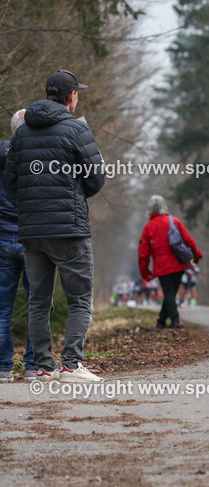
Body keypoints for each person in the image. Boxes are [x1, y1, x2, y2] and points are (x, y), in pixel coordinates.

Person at [3, 70, 106, 383]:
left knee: (38, 301)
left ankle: (44, 367)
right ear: (71, 97)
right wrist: (72, 193)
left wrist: (34, 203)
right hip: (69, 228)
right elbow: (96, 178)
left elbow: (11, 181)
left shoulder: (21, 134)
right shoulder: (76, 129)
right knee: (79, 299)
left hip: (32, 231)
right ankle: (71, 366)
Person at [0, 109, 34, 382]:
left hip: (2, 237)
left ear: (12, 130)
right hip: (34, 239)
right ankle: (33, 367)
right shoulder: (40, 156)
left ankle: (3, 368)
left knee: (2, 308)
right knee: (38, 303)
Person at [138, 195, 202, 329]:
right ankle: (164, 320)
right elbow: (189, 240)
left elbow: (143, 254)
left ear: (149, 208)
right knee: (170, 293)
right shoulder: (174, 221)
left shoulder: (148, 227)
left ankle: (173, 321)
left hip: (161, 267)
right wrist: (197, 254)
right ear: (164, 206)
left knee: (169, 293)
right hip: (178, 265)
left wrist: (145, 273)